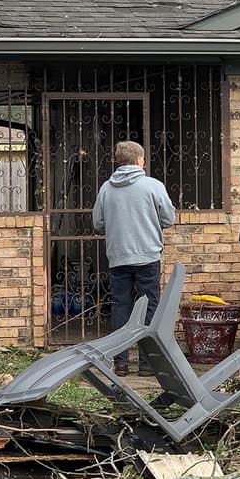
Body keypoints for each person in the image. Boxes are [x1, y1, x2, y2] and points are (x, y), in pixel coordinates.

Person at [92, 140, 176, 376]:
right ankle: (147, 364)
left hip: (118, 256)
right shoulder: (153, 186)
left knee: (121, 306)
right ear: (140, 161)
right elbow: (168, 219)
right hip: (148, 255)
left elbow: (98, 223)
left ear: (118, 161)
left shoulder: (107, 188)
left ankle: (120, 362)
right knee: (149, 306)